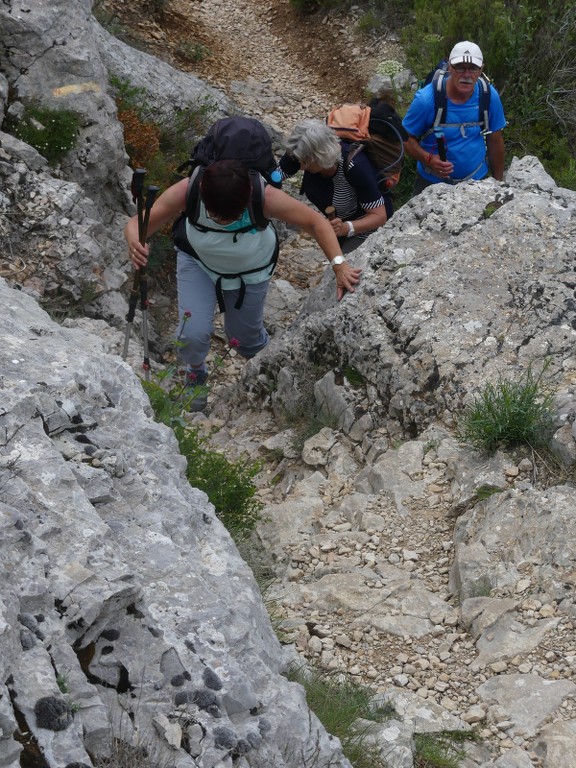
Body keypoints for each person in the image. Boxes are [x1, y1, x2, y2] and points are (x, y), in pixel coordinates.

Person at [124, 159, 362, 411]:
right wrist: (135, 243)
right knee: (191, 334)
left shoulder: (264, 196)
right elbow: (135, 225)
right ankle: (196, 373)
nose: (222, 221)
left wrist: (340, 265)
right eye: (215, 214)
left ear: (248, 197)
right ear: (203, 192)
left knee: (244, 338)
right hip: (198, 263)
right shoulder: (189, 189)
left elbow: (316, 222)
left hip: (250, 271)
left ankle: (272, 363)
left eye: (231, 216)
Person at [402, 41, 506, 195]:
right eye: (460, 67)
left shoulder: (488, 96)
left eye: (472, 68)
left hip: (476, 181)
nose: (466, 75)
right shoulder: (426, 99)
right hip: (431, 184)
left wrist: (499, 185)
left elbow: (495, 140)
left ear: (481, 69)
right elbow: (404, 137)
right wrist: (428, 159)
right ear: (449, 67)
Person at [278, 119, 390, 254]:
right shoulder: (300, 152)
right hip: (338, 225)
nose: (300, 166)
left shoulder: (356, 168)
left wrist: (346, 228)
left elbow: (379, 216)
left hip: (367, 227)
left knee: (348, 265)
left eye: (305, 163)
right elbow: (276, 176)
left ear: (321, 158)